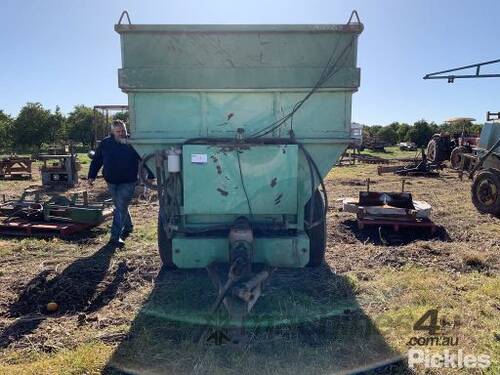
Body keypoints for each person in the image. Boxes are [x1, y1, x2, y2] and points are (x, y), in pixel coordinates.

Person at [88, 120, 153, 247]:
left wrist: (151, 175)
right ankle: (128, 226)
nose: (122, 133)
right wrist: (91, 176)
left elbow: (144, 158)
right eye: (118, 131)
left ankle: (115, 237)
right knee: (120, 206)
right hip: (111, 181)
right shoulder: (105, 143)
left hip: (128, 180)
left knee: (120, 206)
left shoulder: (132, 143)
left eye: (123, 130)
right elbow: (97, 160)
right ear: (112, 132)